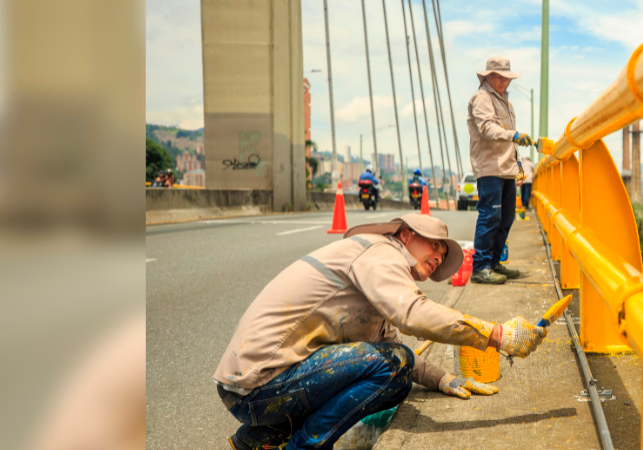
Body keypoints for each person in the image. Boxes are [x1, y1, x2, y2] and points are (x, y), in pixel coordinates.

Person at [214, 214, 548, 450]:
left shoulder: (378, 276)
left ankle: (260, 437)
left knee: (397, 374)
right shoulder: (380, 253)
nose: (438, 257)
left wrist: (443, 379)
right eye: (434, 246)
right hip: (258, 386)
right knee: (393, 367)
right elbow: (411, 316)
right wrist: (497, 334)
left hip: (256, 388)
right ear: (405, 235)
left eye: (443, 255)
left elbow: (388, 347)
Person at [466, 56, 531, 285]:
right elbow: (487, 129)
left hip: (506, 168)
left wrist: (517, 164)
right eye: (499, 77)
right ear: (489, 76)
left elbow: (507, 137)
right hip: (489, 166)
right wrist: (513, 135)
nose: (503, 81)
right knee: (490, 215)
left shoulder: (504, 101)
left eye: (506, 78)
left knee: (506, 217)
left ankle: (493, 262)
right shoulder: (482, 98)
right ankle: (480, 266)